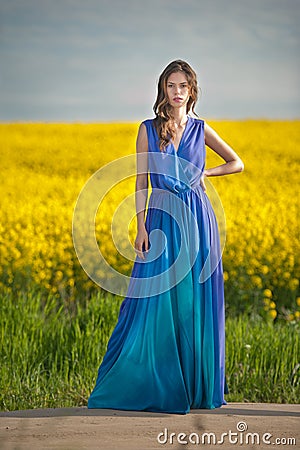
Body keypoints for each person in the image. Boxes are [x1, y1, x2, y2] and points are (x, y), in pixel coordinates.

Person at [88, 59, 244, 414]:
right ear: (163, 90)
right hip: (160, 220)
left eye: (182, 86)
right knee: (155, 301)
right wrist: (141, 226)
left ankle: (194, 389)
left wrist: (207, 174)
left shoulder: (201, 129)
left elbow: (238, 162)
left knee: (193, 303)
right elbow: (141, 180)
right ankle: (155, 383)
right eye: (170, 86)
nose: (176, 93)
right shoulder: (147, 128)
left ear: (192, 91)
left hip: (197, 219)